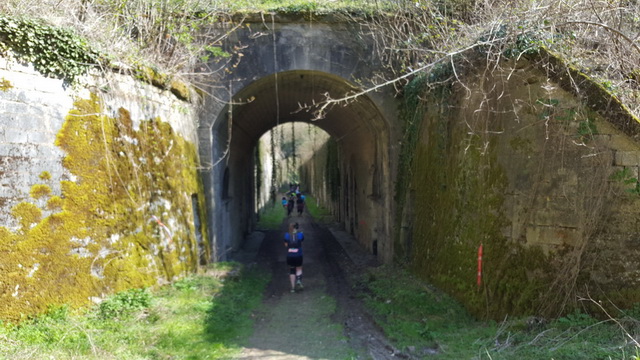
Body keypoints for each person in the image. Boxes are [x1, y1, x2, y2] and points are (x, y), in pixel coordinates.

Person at [284, 222, 304, 293]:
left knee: (292, 270)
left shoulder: (286, 235)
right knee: (299, 268)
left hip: (290, 256)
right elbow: (301, 242)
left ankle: (292, 288)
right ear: (297, 228)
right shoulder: (300, 235)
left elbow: (286, 245)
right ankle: (298, 280)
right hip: (298, 255)